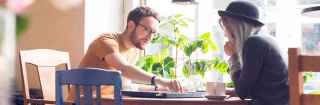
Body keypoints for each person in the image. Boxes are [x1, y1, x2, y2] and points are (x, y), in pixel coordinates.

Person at [70, 6, 182, 98]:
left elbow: (125, 85)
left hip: (107, 101)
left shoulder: (134, 50)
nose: (150, 38)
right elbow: (123, 68)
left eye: (153, 33)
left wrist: (158, 87)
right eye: (146, 30)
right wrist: (159, 80)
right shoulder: (106, 41)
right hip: (82, 102)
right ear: (131, 25)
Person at [218, 1, 289, 105]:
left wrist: (234, 57)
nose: (225, 35)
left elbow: (242, 93)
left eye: (227, 29)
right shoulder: (265, 40)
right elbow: (254, 88)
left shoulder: (254, 43)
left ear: (236, 27)